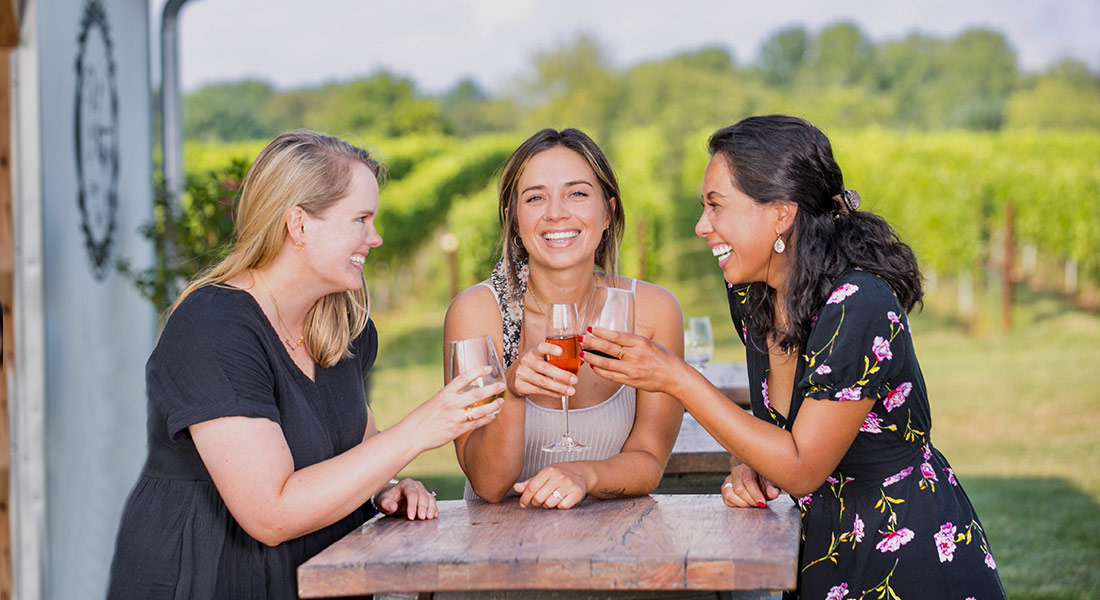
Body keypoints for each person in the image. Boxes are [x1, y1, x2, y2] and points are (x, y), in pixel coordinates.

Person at [583, 116, 1006, 598]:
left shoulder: (858, 304)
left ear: (781, 213)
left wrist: (675, 378)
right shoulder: (755, 296)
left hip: (906, 554)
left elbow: (804, 465)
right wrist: (754, 467)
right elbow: (791, 448)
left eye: (716, 206)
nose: (702, 226)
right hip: (822, 548)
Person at [107, 130, 503, 599]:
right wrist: (420, 430)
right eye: (360, 219)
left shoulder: (343, 324)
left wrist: (387, 487)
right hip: (211, 580)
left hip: (316, 579)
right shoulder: (212, 328)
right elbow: (269, 515)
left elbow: (354, 444)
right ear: (299, 224)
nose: (375, 238)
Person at [443, 128, 684, 509]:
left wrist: (584, 474)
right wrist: (514, 391)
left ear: (608, 212)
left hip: (616, 549)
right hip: (500, 553)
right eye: (536, 197)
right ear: (513, 220)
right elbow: (487, 485)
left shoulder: (654, 311)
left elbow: (650, 461)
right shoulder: (476, 313)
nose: (556, 212)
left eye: (577, 193)